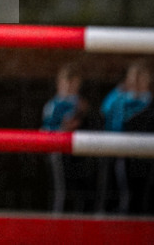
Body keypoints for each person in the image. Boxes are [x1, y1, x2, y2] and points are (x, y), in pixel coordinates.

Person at [96, 59, 152, 213]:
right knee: (115, 185)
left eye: (140, 77)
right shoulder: (120, 98)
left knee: (137, 189)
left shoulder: (151, 102)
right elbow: (105, 111)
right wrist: (117, 92)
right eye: (133, 77)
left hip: (141, 152)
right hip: (116, 148)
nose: (135, 81)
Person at [41, 63, 91, 213]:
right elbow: (47, 128)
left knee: (77, 185)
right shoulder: (53, 105)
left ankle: (76, 216)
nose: (70, 88)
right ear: (60, 84)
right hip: (58, 150)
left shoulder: (81, 104)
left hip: (77, 151)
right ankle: (58, 216)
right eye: (67, 83)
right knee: (60, 187)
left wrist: (83, 114)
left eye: (74, 84)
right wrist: (64, 128)